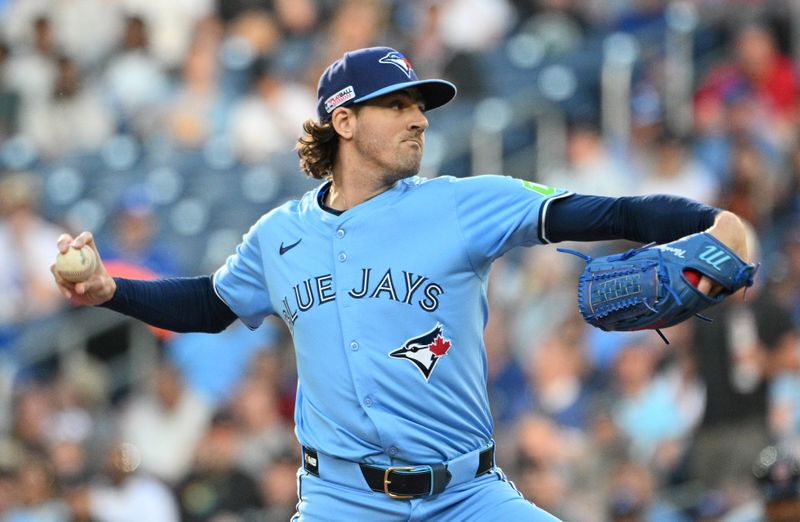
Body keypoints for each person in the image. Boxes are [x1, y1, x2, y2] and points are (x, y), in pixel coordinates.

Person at [52, 46, 750, 520]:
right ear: (345, 121)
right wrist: (113, 290)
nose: (419, 117)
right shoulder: (278, 236)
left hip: (468, 495)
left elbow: (608, 212)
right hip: (341, 502)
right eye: (397, 105)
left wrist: (715, 221)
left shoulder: (462, 201)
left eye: (421, 104)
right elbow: (210, 304)